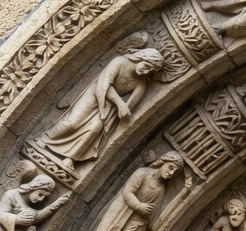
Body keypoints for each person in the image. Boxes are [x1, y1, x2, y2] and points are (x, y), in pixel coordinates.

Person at [39, 41, 161, 171]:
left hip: (110, 106)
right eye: (147, 66)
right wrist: (120, 103)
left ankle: (70, 158)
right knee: (72, 122)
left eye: (150, 71)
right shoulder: (120, 62)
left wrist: (125, 110)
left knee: (95, 129)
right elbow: (104, 84)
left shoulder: (140, 84)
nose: (145, 71)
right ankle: (45, 139)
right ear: (141, 58)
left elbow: (130, 105)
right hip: (95, 94)